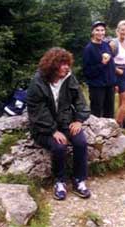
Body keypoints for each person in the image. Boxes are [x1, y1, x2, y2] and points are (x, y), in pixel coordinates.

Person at [27, 47, 91, 201]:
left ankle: (79, 180)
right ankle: (60, 181)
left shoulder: (69, 78)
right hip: (44, 128)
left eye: (67, 63)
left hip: (66, 122)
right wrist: (52, 131)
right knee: (59, 146)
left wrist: (79, 120)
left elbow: (80, 100)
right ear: (52, 66)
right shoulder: (38, 82)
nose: (66, 67)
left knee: (81, 142)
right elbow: (37, 111)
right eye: (62, 64)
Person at [82, 21, 116, 118]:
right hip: (97, 86)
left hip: (109, 85)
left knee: (109, 113)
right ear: (92, 32)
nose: (100, 32)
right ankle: (95, 133)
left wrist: (114, 82)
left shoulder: (106, 45)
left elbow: (111, 65)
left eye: (102, 30)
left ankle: (109, 133)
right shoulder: (89, 49)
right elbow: (87, 71)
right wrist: (102, 64)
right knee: (96, 113)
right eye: (97, 30)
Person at [109, 20, 125, 130]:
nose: (124, 32)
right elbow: (107, 60)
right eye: (122, 30)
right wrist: (115, 69)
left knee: (122, 100)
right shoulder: (113, 44)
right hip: (118, 73)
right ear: (118, 30)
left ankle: (123, 121)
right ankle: (116, 126)